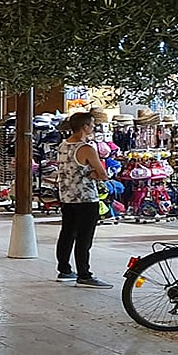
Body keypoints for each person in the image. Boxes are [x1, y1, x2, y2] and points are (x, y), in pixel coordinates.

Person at [55, 112, 112, 289]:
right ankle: (84, 274)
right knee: (84, 238)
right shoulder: (86, 148)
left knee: (67, 233)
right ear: (85, 127)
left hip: (67, 196)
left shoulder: (63, 146)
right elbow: (102, 174)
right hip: (86, 198)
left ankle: (64, 269)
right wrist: (95, 174)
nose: (93, 128)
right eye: (92, 124)